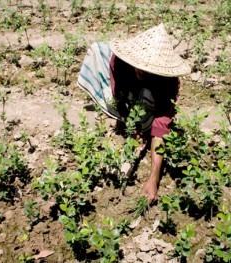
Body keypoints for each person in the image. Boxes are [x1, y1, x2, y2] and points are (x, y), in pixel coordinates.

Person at [77, 24, 191, 202]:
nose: (143, 72)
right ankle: (135, 122)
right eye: (140, 67)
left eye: (149, 71)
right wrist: (129, 121)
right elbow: (118, 91)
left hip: (149, 102)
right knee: (97, 50)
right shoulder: (120, 61)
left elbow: (160, 130)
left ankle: (143, 123)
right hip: (129, 96)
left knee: (148, 95)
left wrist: (153, 179)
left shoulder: (168, 83)